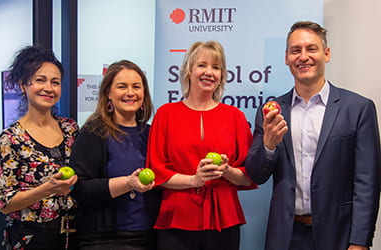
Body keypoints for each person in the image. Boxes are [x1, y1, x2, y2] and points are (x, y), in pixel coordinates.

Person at [245, 21, 381, 250]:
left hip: (338, 236)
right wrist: (268, 145)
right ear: (287, 58)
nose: (303, 56)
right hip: (285, 237)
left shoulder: (358, 109)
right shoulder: (271, 110)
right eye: (296, 50)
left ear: (326, 54)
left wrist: (360, 242)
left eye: (311, 49)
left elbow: (367, 183)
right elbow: (256, 175)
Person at [146, 41, 258, 250]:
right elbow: (157, 170)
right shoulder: (166, 114)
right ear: (188, 70)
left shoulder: (235, 117)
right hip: (176, 217)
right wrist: (194, 180)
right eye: (202, 65)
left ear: (222, 76)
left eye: (216, 67)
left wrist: (226, 170)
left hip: (224, 219)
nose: (209, 72)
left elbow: (248, 175)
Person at [69, 60, 161, 250]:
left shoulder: (152, 134)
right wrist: (128, 183)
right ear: (108, 93)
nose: (130, 93)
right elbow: (79, 188)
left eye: (136, 86)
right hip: (105, 240)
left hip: (150, 237)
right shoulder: (94, 132)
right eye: (122, 86)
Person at [0, 46, 79, 250]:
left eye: (55, 82)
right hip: (32, 237)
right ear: (24, 85)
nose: (49, 88)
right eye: (40, 80)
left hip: (74, 233)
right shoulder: (10, 138)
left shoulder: (71, 129)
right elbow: (5, 204)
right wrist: (47, 189)